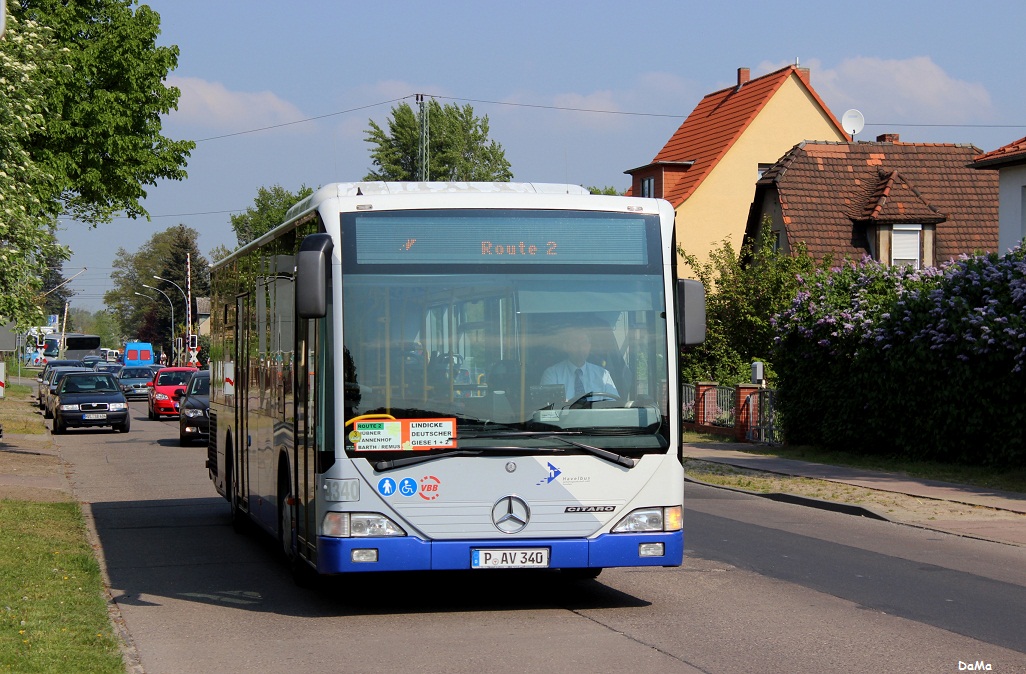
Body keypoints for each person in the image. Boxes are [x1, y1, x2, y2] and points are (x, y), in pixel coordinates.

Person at [540, 325, 618, 401]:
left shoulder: (603, 375)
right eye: (575, 343)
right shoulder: (552, 374)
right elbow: (548, 406)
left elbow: (614, 406)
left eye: (584, 343)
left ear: (589, 346)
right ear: (566, 346)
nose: (580, 348)